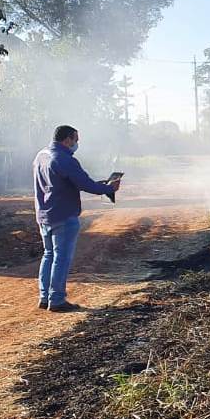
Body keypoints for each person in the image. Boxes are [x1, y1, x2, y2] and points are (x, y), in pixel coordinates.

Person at [33, 125, 121, 312]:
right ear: (67, 140)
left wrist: (99, 185)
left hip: (44, 215)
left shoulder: (41, 155)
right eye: (76, 140)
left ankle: (44, 297)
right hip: (64, 215)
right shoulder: (64, 159)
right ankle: (56, 300)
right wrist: (109, 188)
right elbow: (84, 183)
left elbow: (71, 183)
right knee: (61, 258)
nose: (77, 143)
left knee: (48, 255)